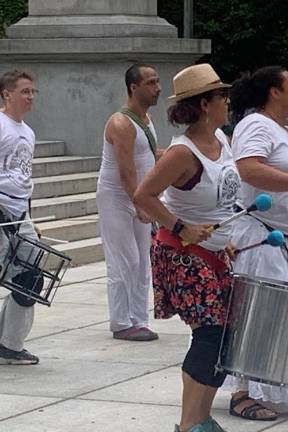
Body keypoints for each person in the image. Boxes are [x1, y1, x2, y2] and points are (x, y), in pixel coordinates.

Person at [134, 63, 238, 432]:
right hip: (182, 254)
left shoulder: (222, 139)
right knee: (210, 332)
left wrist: (227, 240)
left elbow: (223, 198)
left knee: (224, 335)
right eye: (221, 95)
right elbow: (143, 196)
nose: (228, 101)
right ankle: (188, 424)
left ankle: (201, 418)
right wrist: (181, 227)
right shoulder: (182, 153)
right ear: (205, 104)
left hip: (214, 251)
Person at [223, 66, 288, 420]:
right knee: (258, 315)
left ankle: (267, 385)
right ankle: (242, 393)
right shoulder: (255, 125)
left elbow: (280, 182)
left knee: (275, 315)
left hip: (279, 234)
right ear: (273, 92)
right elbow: (248, 170)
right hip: (257, 234)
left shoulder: (280, 130)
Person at [96, 63, 162, 341]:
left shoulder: (146, 120)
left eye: (157, 82)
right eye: (150, 83)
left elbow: (147, 155)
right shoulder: (121, 123)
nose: (157, 88)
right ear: (133, 87)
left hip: (137, 196)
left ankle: (139, 318)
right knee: (124, 260)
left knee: (141, 262)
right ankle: (121, 322)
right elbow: (126, 172)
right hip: (117, 198)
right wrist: (141, 205)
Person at [0, 70, 41, 365]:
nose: (30, 97)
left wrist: (29, 213)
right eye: (25, 91)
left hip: (19, 212)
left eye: (32, 92)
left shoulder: (28, 131)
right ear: (6, 94)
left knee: (31, 277)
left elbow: (25, 176)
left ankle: (9, 343)